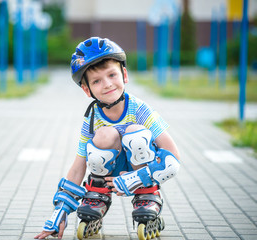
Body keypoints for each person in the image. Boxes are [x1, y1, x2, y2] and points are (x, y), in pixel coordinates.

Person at [34, 37, 180, 239]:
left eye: (112, 75)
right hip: (108, 173)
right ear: (87, 90)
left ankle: (147, 195)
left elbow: (173, 157)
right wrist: (60, 212)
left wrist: (138, 178)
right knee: (103, 134)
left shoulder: (140, 109)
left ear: (124, 75)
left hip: (142, 172)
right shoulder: (92, 117)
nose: (107, 84)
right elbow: (79, 165)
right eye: (96, 81)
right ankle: (98, 194)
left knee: (136, 133)